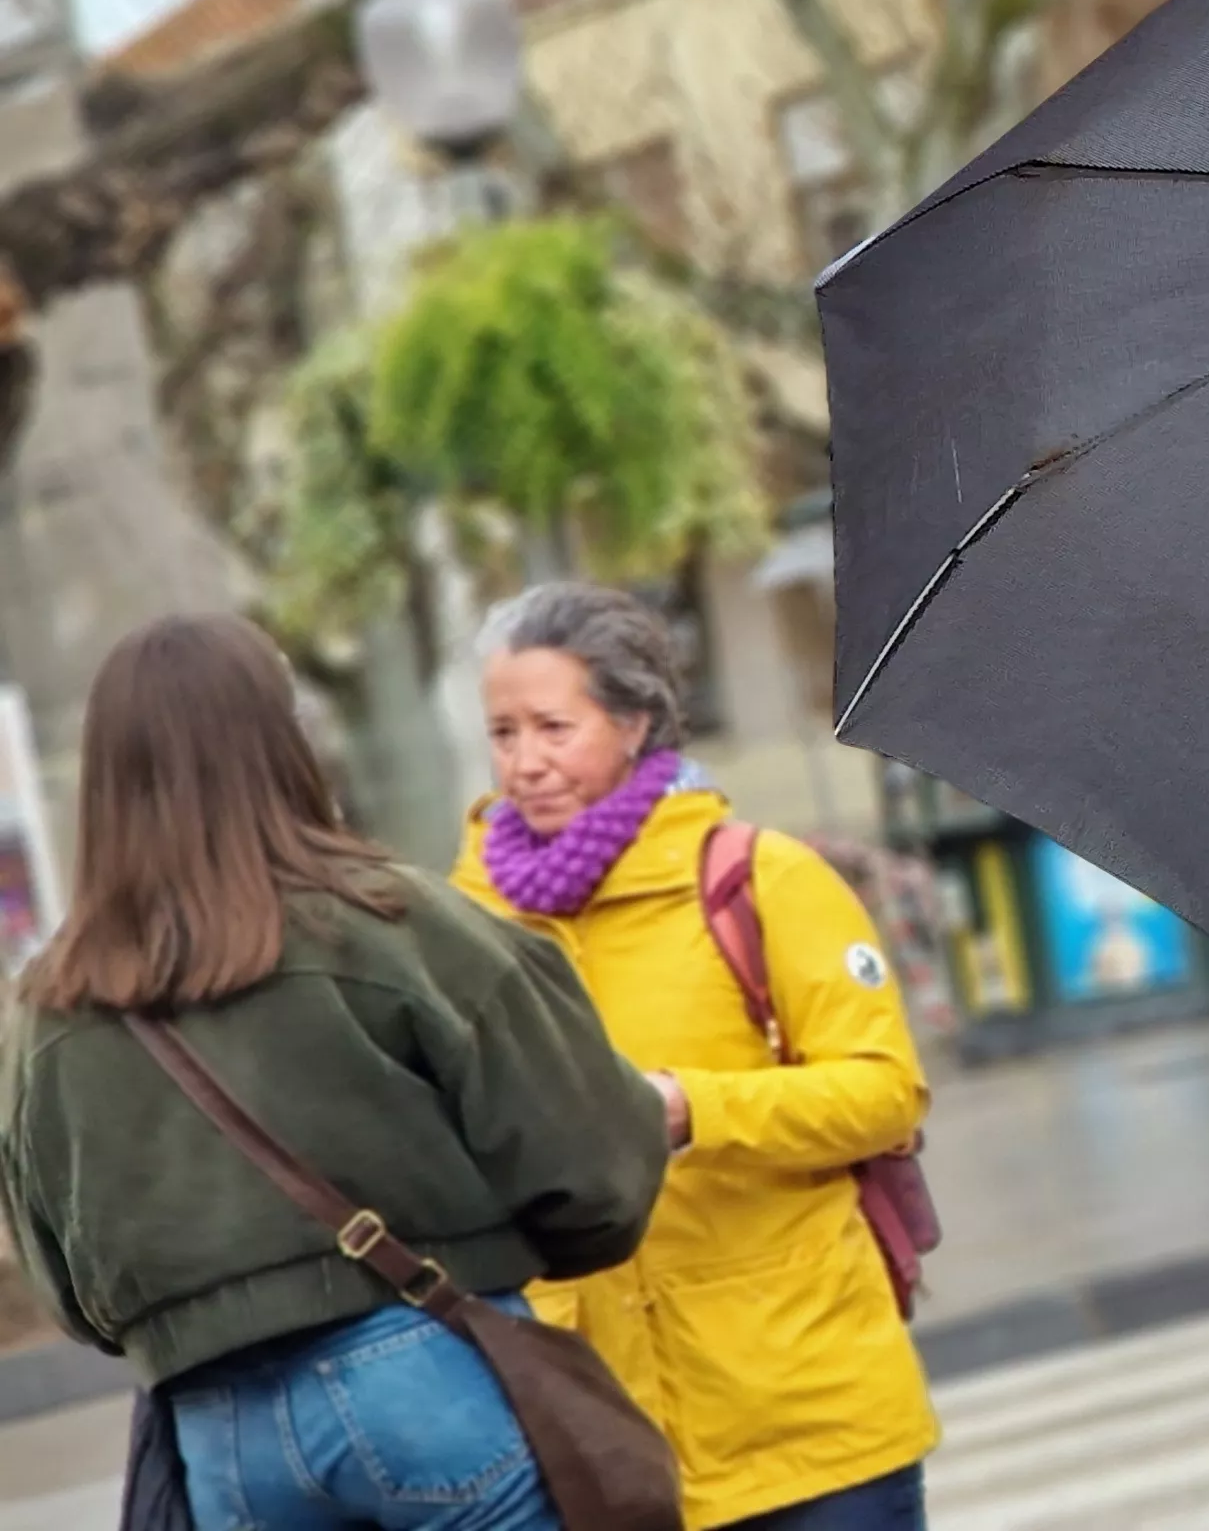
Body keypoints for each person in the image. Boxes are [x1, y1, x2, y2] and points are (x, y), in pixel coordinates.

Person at [1, 614, 666, 1531]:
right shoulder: (391, 923)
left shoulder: (49, 1009)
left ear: (109, 778)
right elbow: (595, 1171)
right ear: (281, 741)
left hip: (219, 1432)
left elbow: (69, 1289)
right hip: (423, 1373)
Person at [453, 583, 937, 1531]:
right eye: (503, 734)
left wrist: (690, 1107)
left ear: (634, 722)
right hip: (601, 1443)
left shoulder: (760, 877)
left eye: (555, 727)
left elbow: (885, 1094)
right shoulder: (462, 926)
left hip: (810, 1422)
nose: (525, 763)